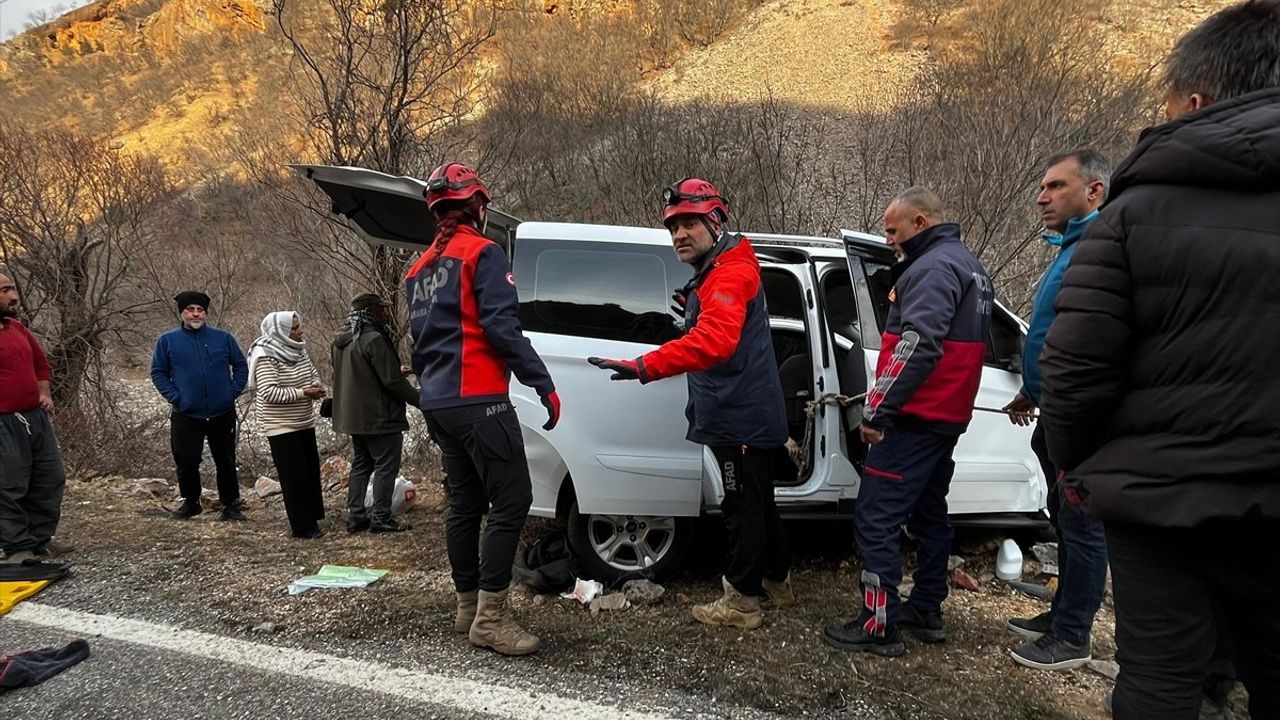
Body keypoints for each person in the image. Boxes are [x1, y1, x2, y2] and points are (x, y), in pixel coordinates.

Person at [1039, 2, 1280, 717]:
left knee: (1158, 679)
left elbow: (1075, 369)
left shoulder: (1134, 214)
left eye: (1167, 101)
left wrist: (1079, 467)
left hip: (1158, 501)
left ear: (1197, 101)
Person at [589, 177, 793, 631]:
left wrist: (645, 366)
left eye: (689, 224)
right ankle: (777, 583)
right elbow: (718, 327)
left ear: (716, 222)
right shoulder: (722, 270)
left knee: (742, 508)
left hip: (738, 416)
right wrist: (690, 306)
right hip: (748, 411)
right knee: (761, 504)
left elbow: (714, 343)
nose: (678, 234)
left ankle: (742, 601)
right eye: (672, 227)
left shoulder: (729, 274)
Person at [823, 187, 993, 657]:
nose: (888, 239)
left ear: (920, 223)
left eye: (893, 230)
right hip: (945, 419)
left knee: (876, 517)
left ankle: (878, 626)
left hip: (916, 419)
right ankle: (927, 608)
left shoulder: (933, 268)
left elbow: (916, 345)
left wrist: (878, 409)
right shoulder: (969, 265)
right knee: (929, 513)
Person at [406, 162, 560, 656]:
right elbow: (503, 330)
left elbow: (417, 345)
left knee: (465, 504)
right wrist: (543, 384)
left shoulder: (418, 268)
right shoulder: (483, 253)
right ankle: (491, 620)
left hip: (439, 404)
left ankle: (466, 607)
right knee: (512, 501)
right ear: (478, 206)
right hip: (480, 401)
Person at [1002, 149, 1111, 671]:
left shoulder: (1103, 250)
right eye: (1043, 186)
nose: (1042, 197)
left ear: (1094, 192)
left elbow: (1096, 342)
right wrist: (1033, 388)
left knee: (1083, 524)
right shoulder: (1072, 247)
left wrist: (1063, 399)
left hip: (1079, 416)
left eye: (1056, 186)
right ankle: (1063, 613)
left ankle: (1074, 635)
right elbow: (1054, 332)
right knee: (1065, 522)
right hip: (1054, 408)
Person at [150, 290, 248, 521]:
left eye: (200, 310)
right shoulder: (167, 341)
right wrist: (176, 397)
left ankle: (230, 505)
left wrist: (231, 393)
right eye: (190, 310)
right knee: (186, 459)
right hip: (186, 412)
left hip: (221, 411)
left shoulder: (223, 338)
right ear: (182, 313)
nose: (195, 314)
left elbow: (241, 366)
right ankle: (191, 502)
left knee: (225, 459)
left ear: (205, 313)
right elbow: (158, 373)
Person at [330, 293, 420, 534]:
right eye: (380, 309)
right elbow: (391, 382)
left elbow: (356, 375)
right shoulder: (373, 338)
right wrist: (422, 400)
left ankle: (356, 516)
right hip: (380, 416)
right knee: (385, 467)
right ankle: (381, 517)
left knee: (361, 465)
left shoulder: (341, 340)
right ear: (371, 310)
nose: (384, 313)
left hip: (352, 416)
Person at [0, 272, 70, 564]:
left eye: (11, 289)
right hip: (2, 422)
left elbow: (41, 365)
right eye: (4, 291)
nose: (13, 296)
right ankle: (17, 548)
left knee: (49, 478)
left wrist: (46, 394)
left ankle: (39, 539)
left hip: (34, 417)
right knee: (8, 485)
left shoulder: (16, 327)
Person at [248, 311, 326, 539]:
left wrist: (316, 386)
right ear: (279, 331)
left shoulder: (298, 349)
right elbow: (269, 392)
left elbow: (312, 374)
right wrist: (303, 392)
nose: (299, 331)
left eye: (299, 325)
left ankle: (313, 516)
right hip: (280, 424)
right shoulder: (265, 355)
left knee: (310, 470)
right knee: (295, 475)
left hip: (303, 420)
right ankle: (302, 526)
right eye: (293, 328)